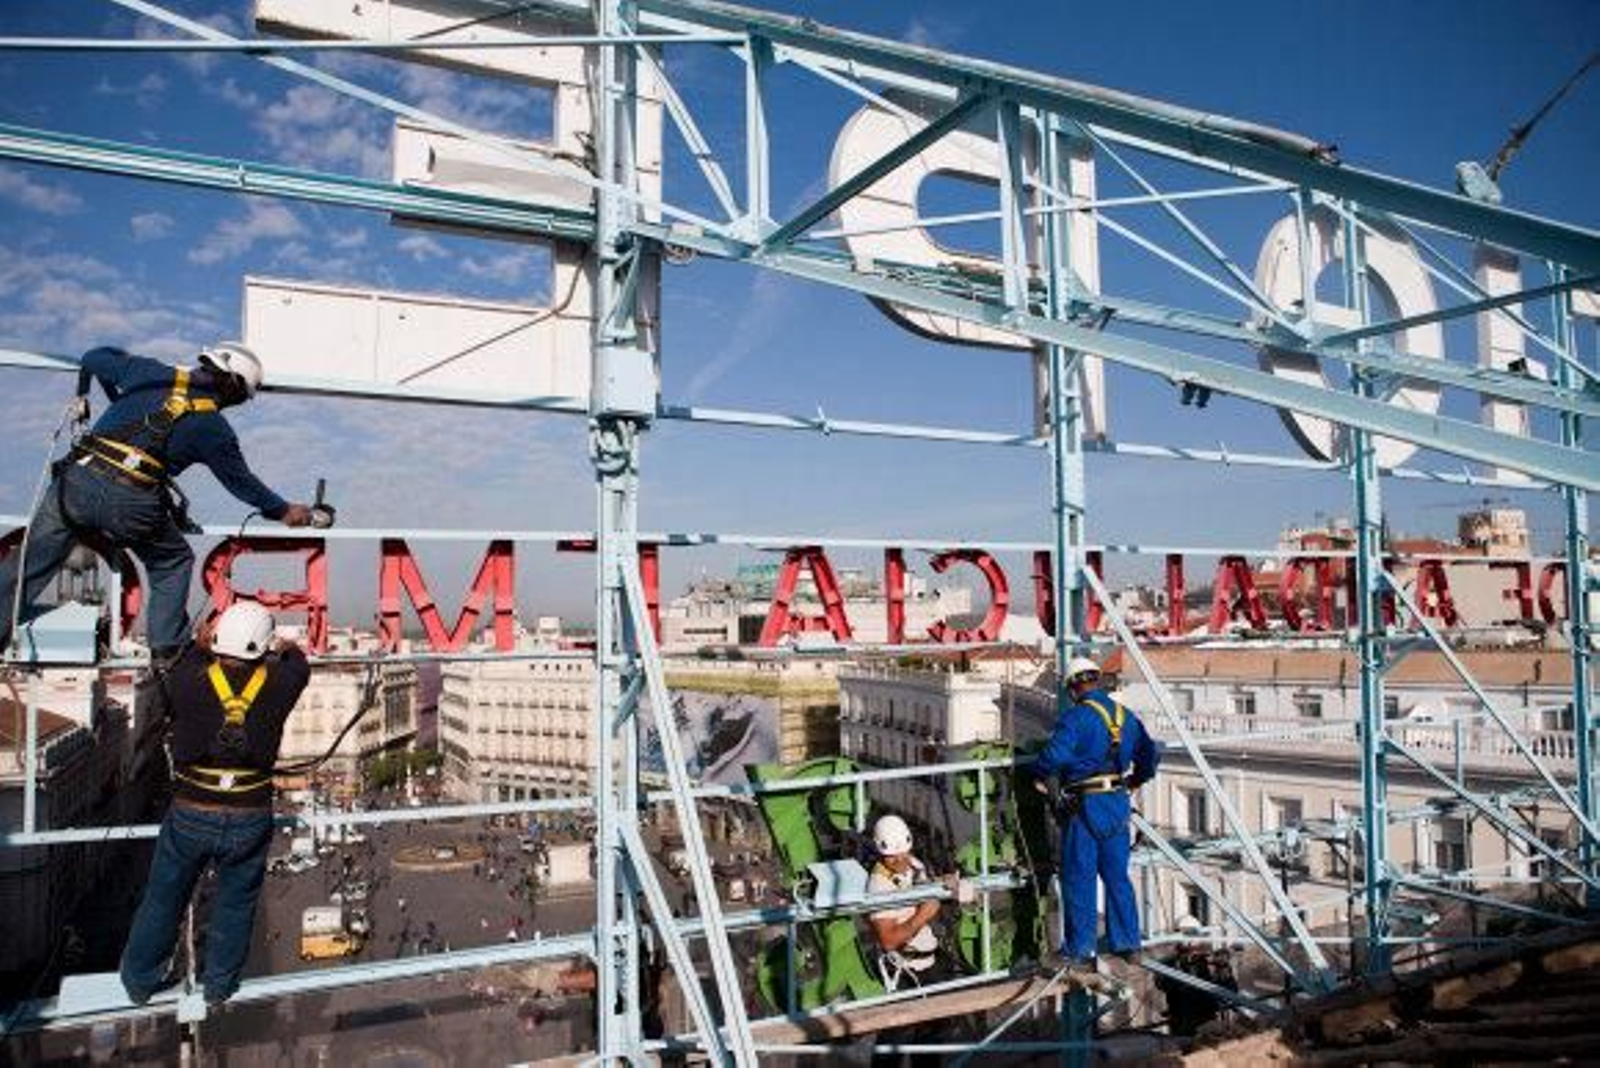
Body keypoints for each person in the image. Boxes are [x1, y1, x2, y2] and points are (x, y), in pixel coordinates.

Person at [0, 343, 314, 662]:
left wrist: (119, 363)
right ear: (232, 386)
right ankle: (166, 655)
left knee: (27, 566)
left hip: (74, 484)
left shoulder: (150, 373)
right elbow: (241, 482)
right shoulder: (213, 428)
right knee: (172, 562)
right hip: (130, 502)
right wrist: (285, 510)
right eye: (240, 397)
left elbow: (93, 358)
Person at [119, 600, 311, 1007]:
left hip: (192, 808)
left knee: (164, 897)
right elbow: (298, 662)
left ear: (218, 639)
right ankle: (219, 986)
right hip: (250, 811)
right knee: (236, 904)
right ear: (261, 647)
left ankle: (139, 981)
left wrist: (204, 640)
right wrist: (282, 645)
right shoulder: (281, 683)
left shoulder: (187, 678)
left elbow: (186, 652)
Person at [1031, 656, 1161, 983]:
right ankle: (1129, 944)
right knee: (1117, 875)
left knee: (1080, 877)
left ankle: (1079, 952)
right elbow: (1150, 754)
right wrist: (1137, 779)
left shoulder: (1076, 718)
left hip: (1085, 806)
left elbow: (1056, 755)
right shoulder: (1126, 716)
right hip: (1117, 803)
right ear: (1097, 680)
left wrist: (1039, 772)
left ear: (1074, 687)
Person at [866, 814, 945, 982]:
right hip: (905, 971)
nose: (899, 861)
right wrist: (924, 914)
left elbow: (925, 884)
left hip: (928, 963)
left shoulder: (913, 865)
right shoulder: (879, 887)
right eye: (892, 856)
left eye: (902, 853)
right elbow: (888, 941)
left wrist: (943, 882)